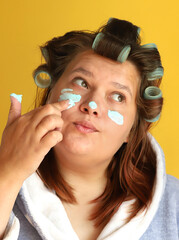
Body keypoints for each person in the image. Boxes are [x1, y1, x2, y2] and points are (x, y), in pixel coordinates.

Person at [0, 17, 178, 240]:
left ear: (131, 131)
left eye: (118, 96)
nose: (92, 105)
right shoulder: (3, 179)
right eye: (82, 82)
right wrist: (7, 175)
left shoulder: (175, 204)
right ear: (50, 94)